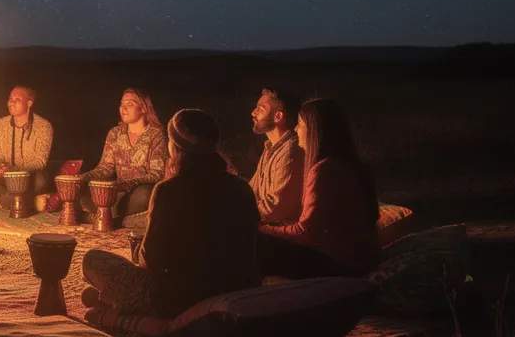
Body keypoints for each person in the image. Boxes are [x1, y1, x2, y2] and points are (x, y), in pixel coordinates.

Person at [83, 109, 260, 324]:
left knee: (93, 259)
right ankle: (107, 301)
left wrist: (139, 251)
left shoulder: (169, 190)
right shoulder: (241, 188)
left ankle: (110, 307)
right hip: (235, 290)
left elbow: (151, 261)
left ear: (175, 147)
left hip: (176, 300)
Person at [256, 99, 380, 278]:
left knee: (257, 244)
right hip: (353, 257)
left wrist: (265, 229)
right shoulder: (344, 164)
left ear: (315, 129)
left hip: (341, 263)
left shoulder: (326, 170)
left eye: (299, 124)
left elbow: (306, 232)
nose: (296, 129)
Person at [78, 88, 167, 222]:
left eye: (130, 104)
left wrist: (129, 184)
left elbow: (157, 174)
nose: (123, 108)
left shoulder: (155, 135)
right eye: (122, 104)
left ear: (143, 108)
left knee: (145, 195)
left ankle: (101, 216)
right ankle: (118, 217)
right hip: (117, 191)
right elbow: (105, 167)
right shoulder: (115, 133)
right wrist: (83, 177)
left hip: (138, 191)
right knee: (86, 194)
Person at [248, 87, 304, 224]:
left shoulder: (290, 151)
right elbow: (251, 192)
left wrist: (238, 216)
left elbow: (275, 207)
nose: (253, 113)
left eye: (260, 109)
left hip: (283, 236)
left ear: (278, 117)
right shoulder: (270, 148)